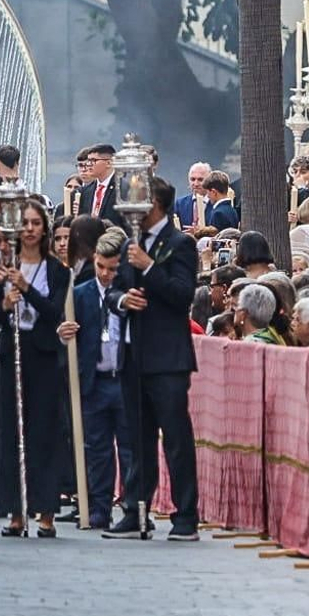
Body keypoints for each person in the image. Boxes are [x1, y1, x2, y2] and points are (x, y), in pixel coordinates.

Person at [104, 176, 199, 542]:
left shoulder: (180, 243)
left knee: (175, 438)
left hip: (168, 358)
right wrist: (121, 300)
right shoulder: (131, 243)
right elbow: (112, 290)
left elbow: (181, 294)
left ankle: (185, 514)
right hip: (133, 353)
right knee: (137, 438)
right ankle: (135, 509)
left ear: (155, 203)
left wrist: (148, 267)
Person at [0, 196, 69, 539]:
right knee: (12, 431)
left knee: (44, 431)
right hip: (13, 353)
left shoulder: (57, 270)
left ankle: (46, 510)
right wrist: (4, 301)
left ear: (44, 227)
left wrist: (26, 289)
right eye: (25, 224)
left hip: (44, 353)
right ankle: (15, 510)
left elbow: (53, 312)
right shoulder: (2, 266)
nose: (30, 230)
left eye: (36, 223)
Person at [56, 228, 134, 530]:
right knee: (96, 447)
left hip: (124, 378)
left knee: (129, 448)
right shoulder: (80, 293)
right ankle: (99, 506)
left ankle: (131, 505)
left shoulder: (130, 293)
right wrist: (63, 334)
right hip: (94, 379)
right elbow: (65, 329)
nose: (104, 274)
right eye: (100, 266)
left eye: (112, 269)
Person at [74, 144, 121, 225]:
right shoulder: (85, 192)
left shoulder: (122, 189)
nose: (88, 165)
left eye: (93, 160)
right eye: (88, 161)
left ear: (109, 163)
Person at [173, 162, 211, 229]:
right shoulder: (180, 204)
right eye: (192, 179)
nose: (196, 184)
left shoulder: (216, 204)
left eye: (200, 180)